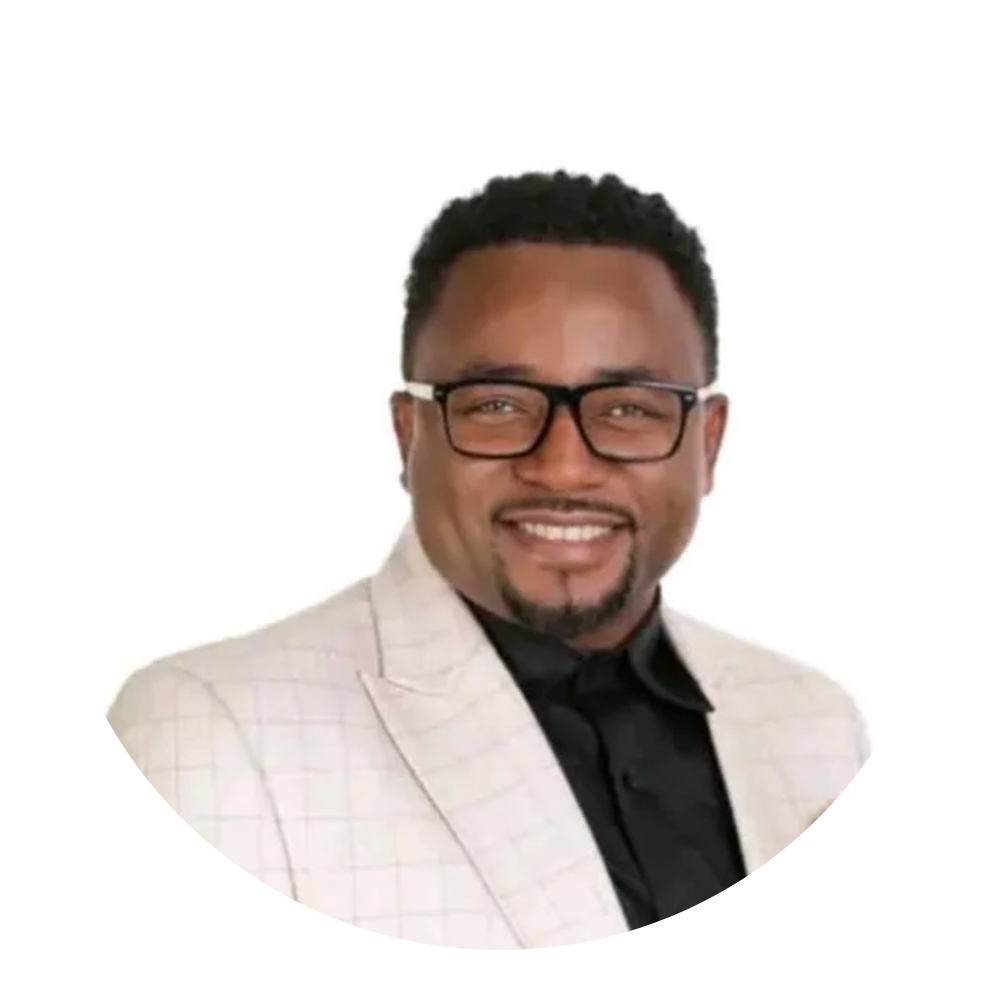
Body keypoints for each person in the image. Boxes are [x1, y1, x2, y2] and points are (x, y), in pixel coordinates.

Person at [108, 171, 870, 948]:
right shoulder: (212, 731)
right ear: (409, 436)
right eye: (498, 405)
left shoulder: (813, 723)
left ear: (707, 444)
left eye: (629, 408)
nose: (564, 467)